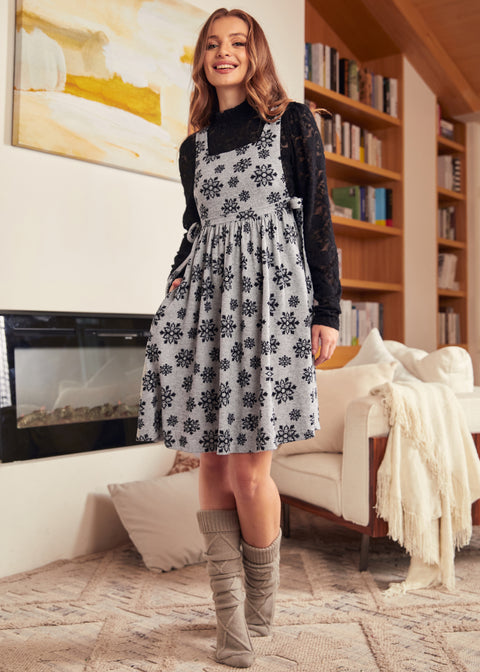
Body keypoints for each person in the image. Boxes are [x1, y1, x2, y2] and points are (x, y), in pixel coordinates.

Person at [137, 7, 341, 668]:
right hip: (205, 307)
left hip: (272, 307)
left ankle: (261, 608)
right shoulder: (192, 147)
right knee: (212, 463)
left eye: (237, 43)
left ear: (256, 55)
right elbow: (193, 231)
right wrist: (172, 291)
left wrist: (327, 311)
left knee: (251, 472)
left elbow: (318, 222)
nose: (224, 53)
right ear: (202, 59)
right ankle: (229, 620)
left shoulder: (292, 123)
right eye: (212, 45)